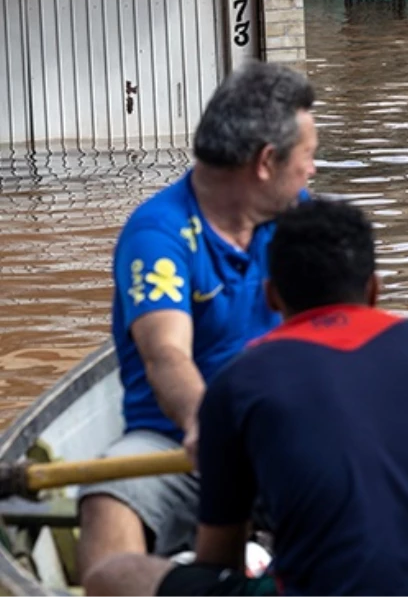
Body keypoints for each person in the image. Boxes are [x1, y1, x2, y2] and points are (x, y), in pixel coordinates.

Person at [83, 198, 408, 597]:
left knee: (113, 574)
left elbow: (218, 561)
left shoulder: (239, 381)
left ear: (272, 296)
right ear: (375, 289)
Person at [78, 61, 319, 581]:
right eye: (308, 158)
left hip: (285, 432)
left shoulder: (301, 218)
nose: (312, 172)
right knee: (106, 503)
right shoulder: (160, 233)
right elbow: (166, 354)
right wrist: (208, 426)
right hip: (177, 443)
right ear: (266, 162)